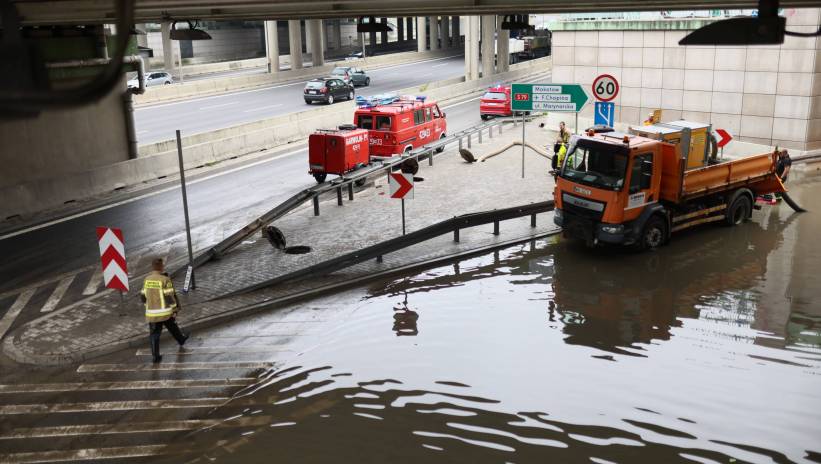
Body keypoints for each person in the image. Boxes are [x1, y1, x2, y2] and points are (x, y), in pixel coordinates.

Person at [141, 258, 188, 363]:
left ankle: (155, 357)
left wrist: (148, 306)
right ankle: (181, 339)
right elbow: (169, 297)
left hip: (152, 313)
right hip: (165, 312)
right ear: (161, 267)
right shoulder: (165, 279)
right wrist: (175, 309)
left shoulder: (146, 279)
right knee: (172, 326)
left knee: (154, 335)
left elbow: (143, 296)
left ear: (152, 267)